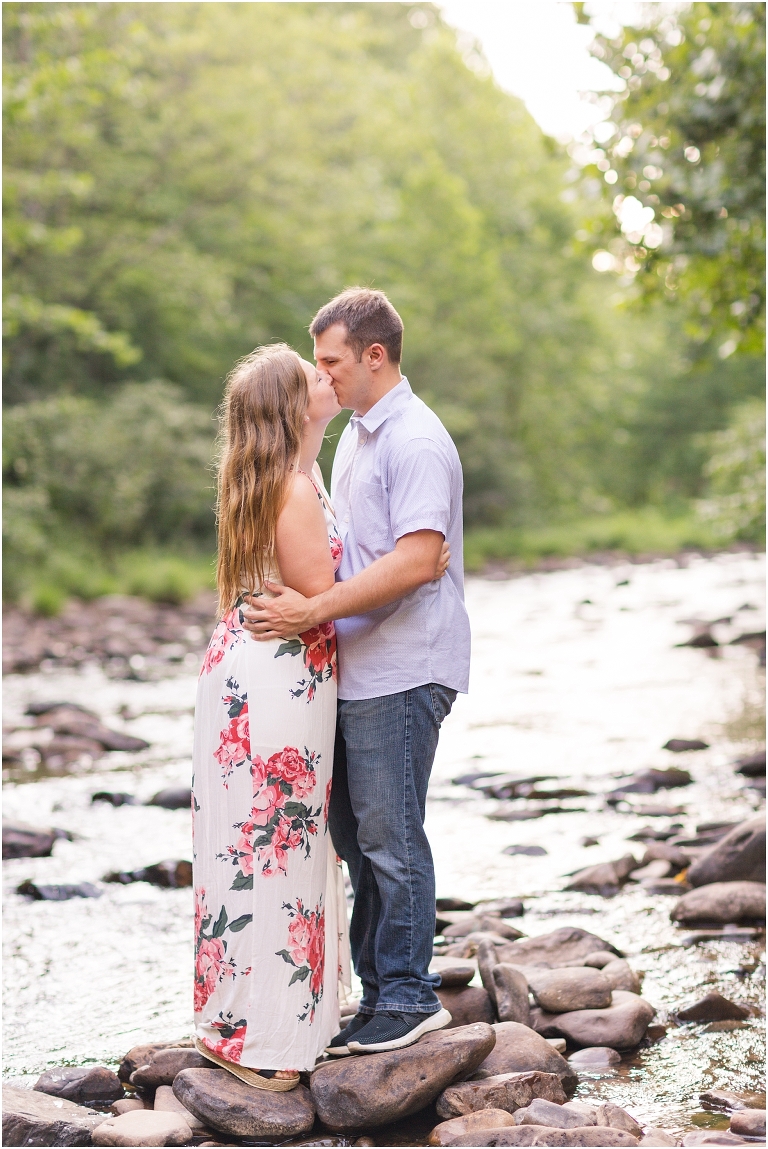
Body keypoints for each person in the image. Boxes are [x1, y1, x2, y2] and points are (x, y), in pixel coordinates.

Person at [242, 288, 471, 1055]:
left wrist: (312, 613)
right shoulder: (356, 439)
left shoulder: (415, 440)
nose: (322, 374)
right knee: (356, 834)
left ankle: (409, 994)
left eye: (331, 360)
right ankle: (379, 992)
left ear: (375, 355)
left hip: (405, 668)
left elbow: (416, 560)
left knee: (390, 836)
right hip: (359, 667)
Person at [191, 344, 352, 1090]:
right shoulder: (292, 489)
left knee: (243, 843)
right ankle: (269, 1043)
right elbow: (321, 591)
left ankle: (239, 1018)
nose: (328, 379)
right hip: (278, 681)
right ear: (292, 408)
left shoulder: (275, 478)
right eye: (311, 376)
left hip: (243, 671)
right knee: (279, 846)